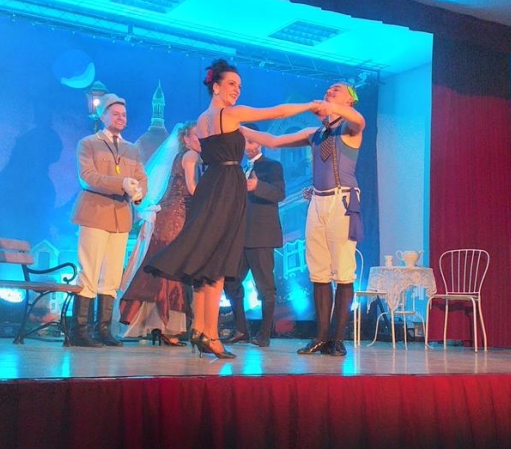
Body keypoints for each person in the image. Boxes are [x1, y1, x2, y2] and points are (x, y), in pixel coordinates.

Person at [143, 59, 316, 359]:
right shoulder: (230, 115)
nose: (237, 89)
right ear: (216, 86)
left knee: (209, 260)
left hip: (213, 184)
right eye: (232, 84)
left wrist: (309, 135)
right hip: (225, 186)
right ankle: (209, 334)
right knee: (219, 261)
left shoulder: (203, 120)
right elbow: (276, 113)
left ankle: (201, 329)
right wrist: (310, 105)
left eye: (239, 85)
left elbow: (272, 140)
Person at [240, 82, 366, 357]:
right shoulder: (315, 134)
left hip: (342, 201)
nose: (330, 90)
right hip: (317, 202)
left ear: (349, 100)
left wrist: (330, 107)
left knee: (343, 272)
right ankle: (320, 337)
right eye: (328, 89)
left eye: (337, 89)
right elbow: (274, 141)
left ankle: (337, 339)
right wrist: (238, 127)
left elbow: (359, 119)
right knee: (319, 271)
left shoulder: (350, 128)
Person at [70, 93, 148, 347]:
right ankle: (79, 329)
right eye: (115, 114)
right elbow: (87, 177)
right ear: (103, 116)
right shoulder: (88, 143)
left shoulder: (132, 149)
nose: (121, 118)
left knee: (112, 275)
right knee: (89, 272)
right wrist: (121, 183)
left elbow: (141, 177)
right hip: (94, 212)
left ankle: (102, 329)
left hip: (120, 217)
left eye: (123, 115)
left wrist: (138, 193)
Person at [118, 123, 202, 346]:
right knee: (170, 268)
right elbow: (192, 188)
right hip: (176, 216)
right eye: (196, 135)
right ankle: (165, 325)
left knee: (159, 265)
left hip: (168, 214)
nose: (200, 139)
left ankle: (154, 323)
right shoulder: (191, 155)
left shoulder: (179, 157)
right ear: (186, 139)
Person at [222, 123, 285, 347]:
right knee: (230, 282)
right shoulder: (237, 169)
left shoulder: (272, 166)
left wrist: (258, 186)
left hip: (261, 236)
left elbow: (279, 193)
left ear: (259, 141)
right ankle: (241, 329)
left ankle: (264, 334)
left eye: (250, 141)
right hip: (239, 237)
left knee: (265, 286)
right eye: (244, 142)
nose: (247, 147)